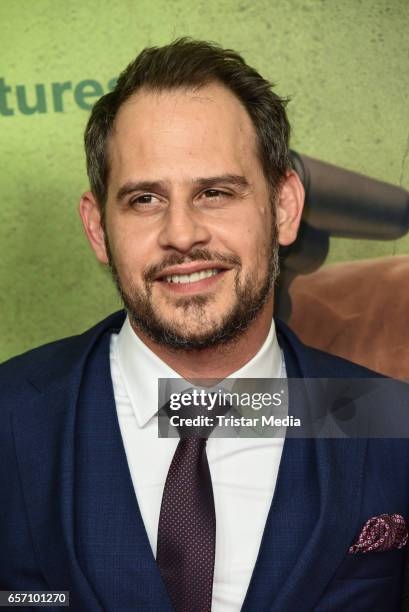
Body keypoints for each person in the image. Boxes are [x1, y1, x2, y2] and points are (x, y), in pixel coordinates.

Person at [1, 38, 408, 612]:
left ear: (285, 207)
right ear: (98, 229)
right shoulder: (10, 413)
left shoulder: (391, 421)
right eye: (144, 199)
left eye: (216, 192)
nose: (183, 234)